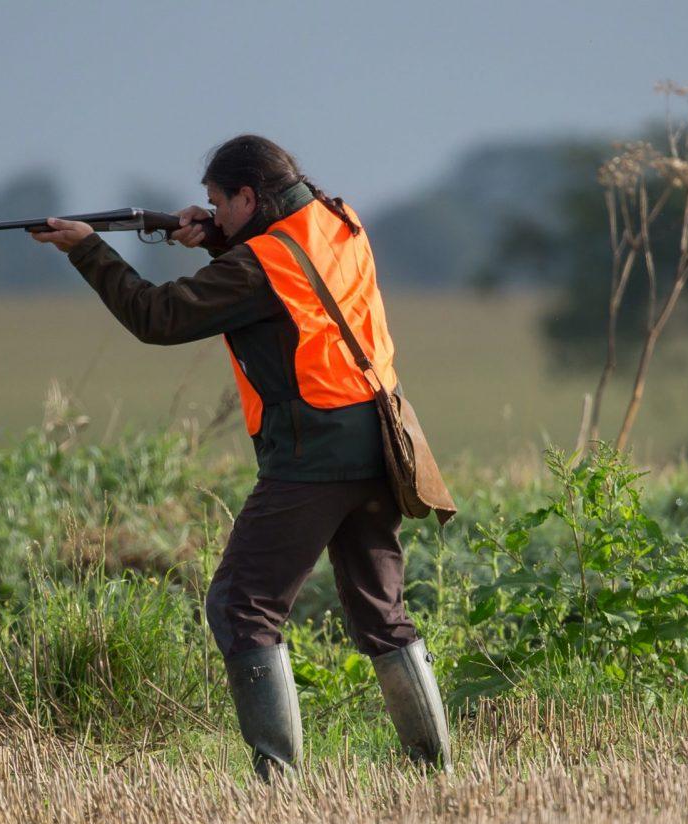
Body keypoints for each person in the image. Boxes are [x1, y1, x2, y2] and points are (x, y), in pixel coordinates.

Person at [32, 134, 452, 780]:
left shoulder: (256, 267)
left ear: (250, 196)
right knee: (380, 612)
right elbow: (299, 281)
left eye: (217, 203)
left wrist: (87, 249)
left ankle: (276, 779)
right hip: (381, 440)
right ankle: (433, 769)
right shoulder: (339, 220)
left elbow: (156, 317)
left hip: (314, 452)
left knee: (240, 604)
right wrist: (222, 237)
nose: (210, 212)